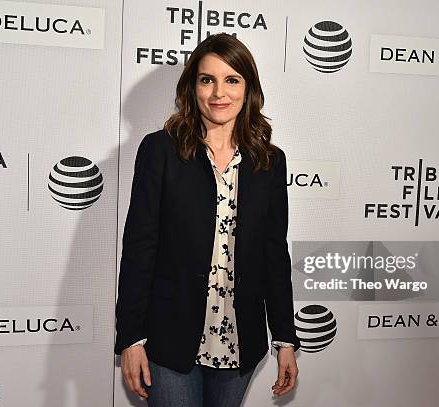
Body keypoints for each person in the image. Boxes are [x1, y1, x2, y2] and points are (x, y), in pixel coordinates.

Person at [114, 33, 300, 407]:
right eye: (207, 79)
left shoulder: (269, 161)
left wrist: (285, 339)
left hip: (238, 339)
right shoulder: (160, 150)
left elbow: (274, 255)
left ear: (249, 89)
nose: (219, 92)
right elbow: (139, 248)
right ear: (192, 87)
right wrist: (131, 338)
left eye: (232, 79)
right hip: (169, 339)